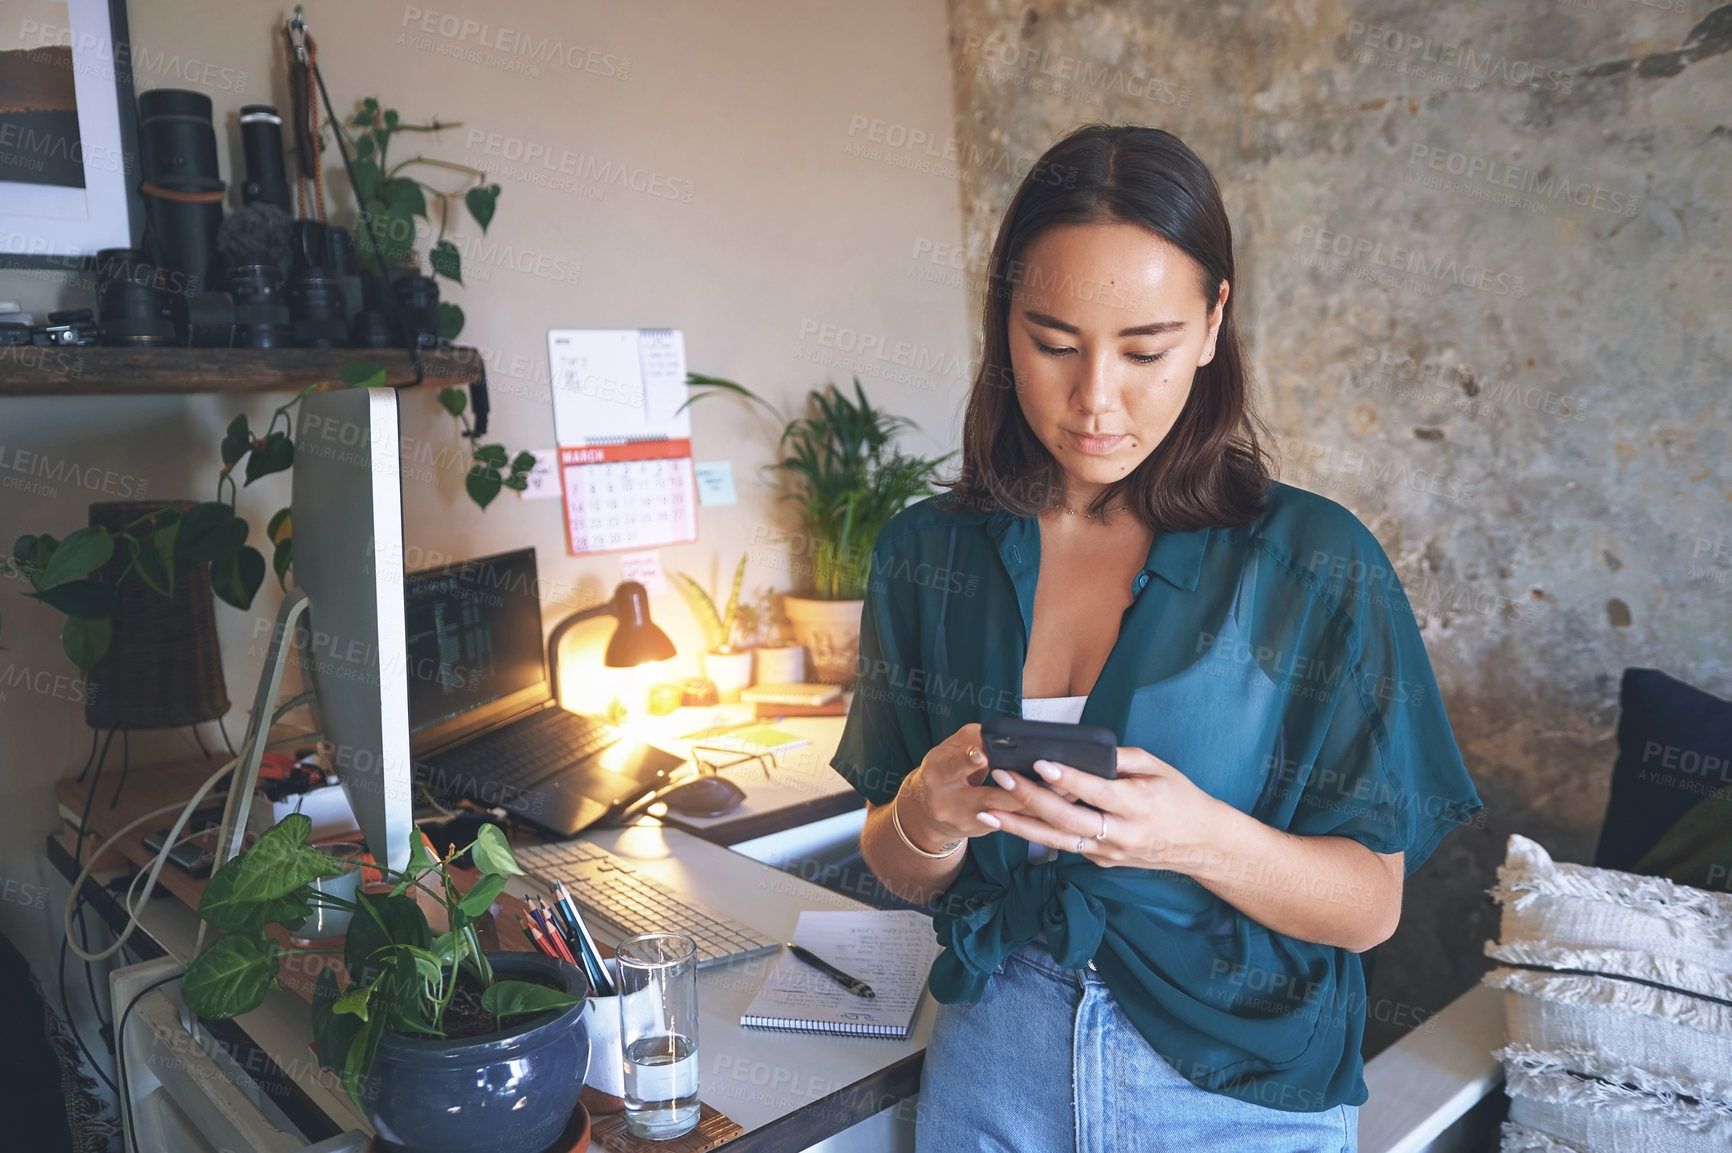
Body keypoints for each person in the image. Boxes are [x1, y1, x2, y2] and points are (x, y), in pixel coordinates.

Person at [829, 124, 1484, 1153]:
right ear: (1003, 323)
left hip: (1233, 1094)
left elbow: (1367, 909)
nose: (1095, 400)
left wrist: (1192, 836)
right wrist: (924, 813)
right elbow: (899, 864)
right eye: (1052, 343)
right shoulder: (928, 553)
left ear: (1214, 320)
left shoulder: (1314, 562)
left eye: (1145, 349)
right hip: (990, 1068)